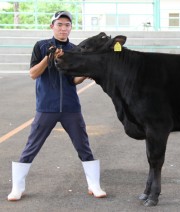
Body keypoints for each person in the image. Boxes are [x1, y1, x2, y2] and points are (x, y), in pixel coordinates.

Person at [7, 11, 107, 201]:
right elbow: (33, 74)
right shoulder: (41, 46)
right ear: (52, 26)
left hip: (71, 107)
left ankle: (94, 185)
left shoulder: (75, 49)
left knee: (84, 146)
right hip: (46, 107)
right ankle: (17, 188)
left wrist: (88, 72)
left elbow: (74, 80)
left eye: (67, 25)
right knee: (31, 147)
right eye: (59, 24)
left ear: (71, 28)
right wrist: (48, 57)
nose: (63, 28)